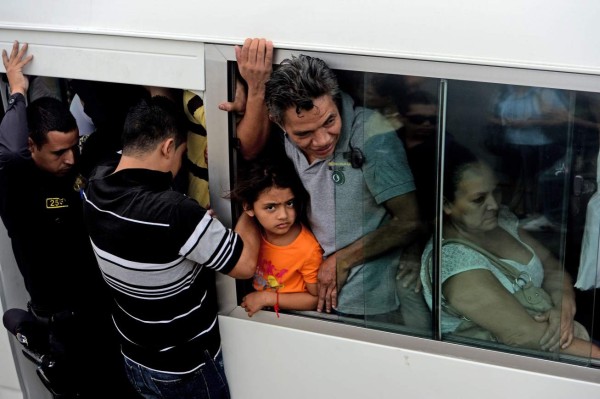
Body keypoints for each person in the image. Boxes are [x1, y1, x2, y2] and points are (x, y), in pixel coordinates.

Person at [82, 95, 260, 399]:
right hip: (185, 371)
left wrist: (195, 232)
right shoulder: (175, 213)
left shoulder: (95, 185)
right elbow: (245, 264)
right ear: (167, 147)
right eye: (180, 154)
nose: (179, 166)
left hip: (136, 359)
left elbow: (150, 239)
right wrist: (250, 209)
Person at [236, 54, 427, 327]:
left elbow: (409, 221)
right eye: (304, 134)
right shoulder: (282, 139)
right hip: (303, 291)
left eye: (329, 121)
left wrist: (343, 260)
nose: (323, 140)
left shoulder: (371, 135)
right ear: (279, 124)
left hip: (363, 300)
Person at [0, 41, 136, 397]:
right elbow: (11, 150)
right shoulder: (19, 183)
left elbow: (110, 125)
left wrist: (84, 52)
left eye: (73, 146)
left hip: (101, 311)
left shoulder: (78, 166)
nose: (70, 158)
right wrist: (17, 91)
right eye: (58, 152)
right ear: (32, 146)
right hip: (64, 326)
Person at [420, 143, 600, 358]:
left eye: (496, 191)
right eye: (479, 199)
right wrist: (595, 356)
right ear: (446, 204)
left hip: (568, 341)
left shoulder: (501, 222)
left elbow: (552, 268)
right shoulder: (454, 265)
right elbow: (524, 336)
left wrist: (563, 307)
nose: (494, 204)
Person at [228, 156, 323, 317]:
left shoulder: (307, 248)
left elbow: (315, 299)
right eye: (271, 207)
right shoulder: (254, 233)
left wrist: (267, 298)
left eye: (289, 203)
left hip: (293, 319)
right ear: (249, 208)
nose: (283, 215)